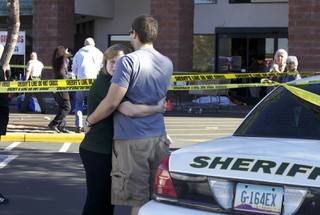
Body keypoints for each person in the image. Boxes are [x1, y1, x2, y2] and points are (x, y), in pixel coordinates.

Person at [85, 15, 173, 215]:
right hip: (158, 138)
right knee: (155, 198)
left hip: (132, 140)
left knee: (138, 200)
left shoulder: (128, 61)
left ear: (134, 33)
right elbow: (158, 100)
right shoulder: (167, 62)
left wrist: (89, 121)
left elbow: (112, 103)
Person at [72, 38, 103, 133]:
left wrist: (75, 76)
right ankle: (90, 124)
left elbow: (74, 68)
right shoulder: (98, 53)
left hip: (81, 81)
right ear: (93, 44)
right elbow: (102, 67)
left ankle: (79, 125)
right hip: (93, 81)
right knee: (92, 103)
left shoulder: (79, 53)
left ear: (84, 44)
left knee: (79, 103)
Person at [48, 46, 72, 133]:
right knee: (67, 107)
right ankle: (54, 123)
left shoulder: (57, 61)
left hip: (56, 87)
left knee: (62, 106)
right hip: (61, 86)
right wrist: (69, 77)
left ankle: (61, 126)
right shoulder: (62, 61)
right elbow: (62, 75)